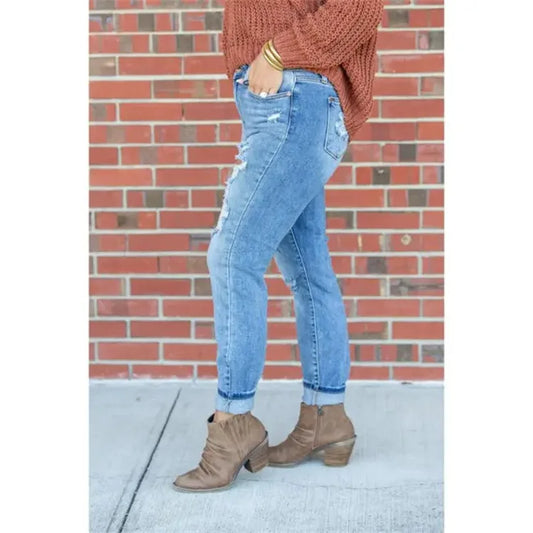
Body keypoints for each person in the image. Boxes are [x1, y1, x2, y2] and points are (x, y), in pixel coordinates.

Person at [173, 0, 384, 492]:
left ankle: (233, 423)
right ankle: (326, 417)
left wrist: (273, 53)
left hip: (294, 101)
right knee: (309, 272)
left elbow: (357, 9)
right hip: (286, 102)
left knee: (232, 257)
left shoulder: (285, 65)